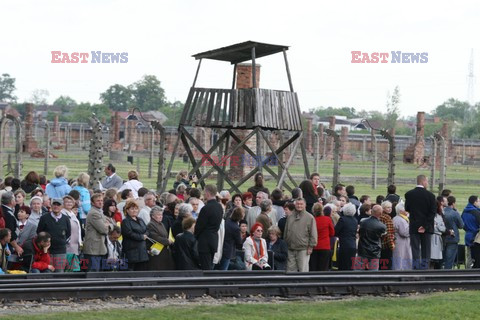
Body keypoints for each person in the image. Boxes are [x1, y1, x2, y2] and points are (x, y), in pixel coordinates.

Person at [404, 175, 436, 270]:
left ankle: (415, 270)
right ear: (423, 182)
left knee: (415, 250)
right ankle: (425, 270)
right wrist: (425, 226)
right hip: (426, 227)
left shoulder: (409, 194)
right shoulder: (430, 196)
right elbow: (432, 213)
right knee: (426, 251)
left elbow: (407, 208)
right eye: (427, 181)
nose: (427, 183)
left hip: (414, 225)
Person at [36, 198, 71, 272]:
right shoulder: (44, 218)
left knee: (59, 273)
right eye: (54, 204)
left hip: (61, 251)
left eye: (58, 205)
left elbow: (68, 233)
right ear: (51, 205)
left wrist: (62, 241)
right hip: (47, 251)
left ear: (62, 207)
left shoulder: (66, 219)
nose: (56, 206)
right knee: (48, 272)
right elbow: (39, 232)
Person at [194, 185, 223, 270]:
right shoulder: (219, 207)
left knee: (205, 268)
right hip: (214, 239)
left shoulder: (206, 208)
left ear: (207, 193)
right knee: (210, 266)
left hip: (204, 241)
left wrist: (195, 235)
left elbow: (199, 226)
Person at [284, 198, 317, 272]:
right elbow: (286, 230)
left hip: (303, 249)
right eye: (298, 204)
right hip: (291, 248)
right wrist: (286, 241)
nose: (299, 206)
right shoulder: (290, 216)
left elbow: (313, 233)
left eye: (301, 204)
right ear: (295, 205)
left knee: (303, 270)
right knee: (290, 271)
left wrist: (311, 247)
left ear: (305, 205)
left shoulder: (310, 217)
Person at [83, 194, 112, 271]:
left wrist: (108, 225)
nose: (100, 202)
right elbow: (104, 230)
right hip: (94, 250)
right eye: (98, 201)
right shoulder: (94, 213)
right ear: (92, 203)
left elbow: (113, 224)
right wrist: (107, 226)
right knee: (93, 275)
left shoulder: (100, 212)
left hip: (99, 248)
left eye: (101, 200)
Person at [356, 205, 386, 271]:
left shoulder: (363, 222)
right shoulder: (382, 226)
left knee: (357, 274)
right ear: (380, 213)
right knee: (373, 275)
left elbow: (360, 233)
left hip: (362, 250)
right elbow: (383, 238)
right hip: (374, 252)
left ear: (372, 211)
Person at [121, 199, 149, 271]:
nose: (134, 210)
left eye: (136, 209)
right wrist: (141, 237)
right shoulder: (125, 221)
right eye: (132, 209)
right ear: (127, 210)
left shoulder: (140, 219)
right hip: (132, 252)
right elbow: (129, 233)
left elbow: (146, 229)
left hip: (142, 251)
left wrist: (145, 234)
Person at [147, 206, 175, 270]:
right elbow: (155, 238)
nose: (161, 216)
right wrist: (168, 241)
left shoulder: (161, 224)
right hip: (157, 253)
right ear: (152, 216)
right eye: (158, 215)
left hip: (164, 252)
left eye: (161, 214)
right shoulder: (151, 224)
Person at [309, 203, 335, 271]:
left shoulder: (312, 220)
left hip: (314, 246)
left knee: (313, 267)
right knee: (323, 268)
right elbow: (332, 233)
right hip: (325, 246)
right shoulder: (327, 219)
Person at [335, 203, 358, 271]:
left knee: (343, 265)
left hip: (344, 245)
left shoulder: (342, 219)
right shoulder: (355, 220)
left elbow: (336, 231)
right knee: (350, 265)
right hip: (353, 245)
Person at [62, 195, 82, 271]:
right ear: (63, 203)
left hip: (75, 245)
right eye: (66, 202)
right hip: (68, 245)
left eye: (70, 202)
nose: (69, 203)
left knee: (74, 268)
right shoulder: (62, 213)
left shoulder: (73, 214)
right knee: (69, 268)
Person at [443, 196, 464, 269]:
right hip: (452, 238)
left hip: (442, 237)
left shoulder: (442, 212)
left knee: (441, 259)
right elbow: (461, 225)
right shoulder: (454, 213)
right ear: (453, 203)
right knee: (449, 260)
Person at [392, 202, 412, 270]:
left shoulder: (399, 218)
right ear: (401, 211)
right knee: (400, 259)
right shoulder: (400, 220)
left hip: (402, 243)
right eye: (406, 210)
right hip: (401, 243)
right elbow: (405, 233)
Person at [430, 199, 446, 269]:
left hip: (438, 238)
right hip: (431, 238)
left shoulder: (439, 216)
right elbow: (431, 228)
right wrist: (437, 227)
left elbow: (443, 228)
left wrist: (437, 226)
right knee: (430, 258)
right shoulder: (429, 216)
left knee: (435, 260)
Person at [379, 201, 395, 270]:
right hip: (386, 244)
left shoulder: (379, 216)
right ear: (383, 208)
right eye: (388, 207)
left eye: (391, 207)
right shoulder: (387, 218)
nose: (390, 209)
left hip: (379, 243)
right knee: (387, 265)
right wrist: (392, 245)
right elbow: (389, 233)